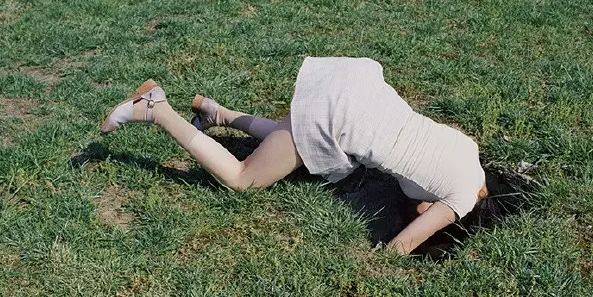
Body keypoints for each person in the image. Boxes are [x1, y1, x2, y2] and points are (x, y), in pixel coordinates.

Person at [101, 57, 488, 254]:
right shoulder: (460, 200)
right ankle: (156, 109)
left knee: (294, 144)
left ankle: (217, 113)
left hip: (358, 88)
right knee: (243, 179)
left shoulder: (468, 149)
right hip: (336, 116)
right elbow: (403, 245)